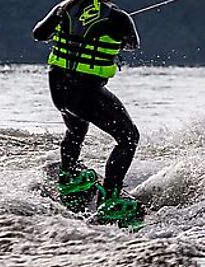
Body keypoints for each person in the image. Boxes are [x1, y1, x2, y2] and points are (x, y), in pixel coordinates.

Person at [33, 0, 143, 226]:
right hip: (85, 91)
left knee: (75, 129)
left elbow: (39, 34)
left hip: (58, 89)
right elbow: (133, 44)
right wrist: (117, 31)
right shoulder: (118, 17)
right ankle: (111, 199)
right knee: (128, 137)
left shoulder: (64, 8)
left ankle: (69, 176)